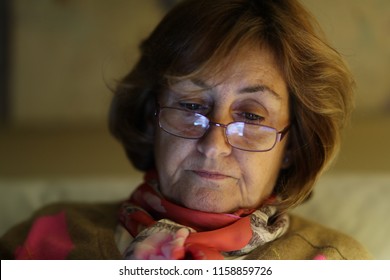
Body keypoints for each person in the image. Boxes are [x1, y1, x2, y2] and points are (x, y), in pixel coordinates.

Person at [0, 0, 371, 260]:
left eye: (253, 117)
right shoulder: (45, 239)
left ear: (291, 144)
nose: (214, 146)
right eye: (192, 105)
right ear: (151, 116)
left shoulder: (331, 263)